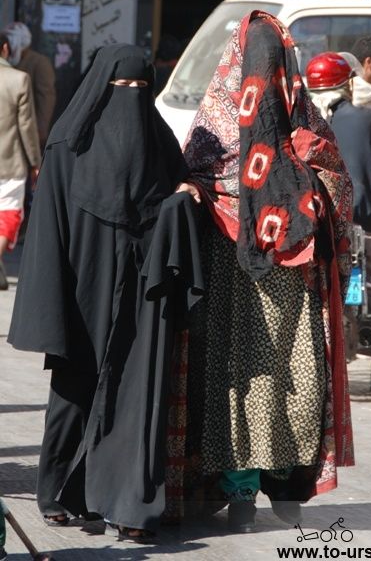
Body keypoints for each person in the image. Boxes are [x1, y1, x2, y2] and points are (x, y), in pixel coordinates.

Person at [164, 11, 355, 533]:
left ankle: (277, 487)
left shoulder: (236, 126)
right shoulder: (283, 129)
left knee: (286, 387)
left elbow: (335, 185)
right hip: (239, 288)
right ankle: (251, 492)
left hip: (283, 287)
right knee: (249, 387)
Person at [7, 44, 203, 540]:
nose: (131, 98)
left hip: (141, 287)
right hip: (82, 287)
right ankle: (56, 492)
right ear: (102, 89)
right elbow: (48, 235)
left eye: (141, 89)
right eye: (122, 87)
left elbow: (173, 194)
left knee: (137, 396)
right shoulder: (66, 147)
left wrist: (183, 198)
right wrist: (49, 306)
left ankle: (130, 506)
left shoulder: (158, 141)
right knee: (75, 391)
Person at [306, 51, 371, 393]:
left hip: (315, 224)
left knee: (318, 292)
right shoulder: (366, 119)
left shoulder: (301, 122)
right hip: (360, 220)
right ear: (348, 84)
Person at [0, 33, 41, 290]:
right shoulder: (18, 79)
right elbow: (26, 126)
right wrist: (35, 161)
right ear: (5, 48)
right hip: (9, 160)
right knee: (9, 213)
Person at [4, 22, 56, 150]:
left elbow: (46, 98)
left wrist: (40, 131)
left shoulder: (39, 63)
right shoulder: (8, 62)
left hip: (29, 131)